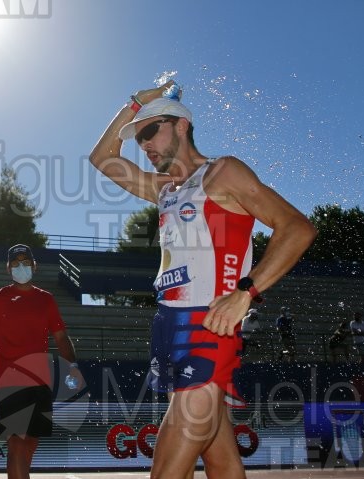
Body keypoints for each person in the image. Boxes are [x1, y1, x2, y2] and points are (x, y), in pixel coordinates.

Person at [89, 80, 316, 479]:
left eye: (148, 131)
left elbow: (297, 228)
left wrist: (246, 292)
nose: (143, 145)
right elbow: (102, 157)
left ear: (180, 125)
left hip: (208, 326)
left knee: (166, 470)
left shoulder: (222, 172)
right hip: (167, 325)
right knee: (219, 455)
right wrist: (134, 105)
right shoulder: (165, 189)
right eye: (138, 138)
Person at [0, 244, 81, 479]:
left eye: (26, 263)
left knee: (30, 443)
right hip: (9, 380)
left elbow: (61, 337)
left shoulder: (46, 300)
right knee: (16, 444)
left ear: (35, 266)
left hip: (40, 382)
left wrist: (73, 367)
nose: (22, 267)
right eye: (16, 263)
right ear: (8, 268)